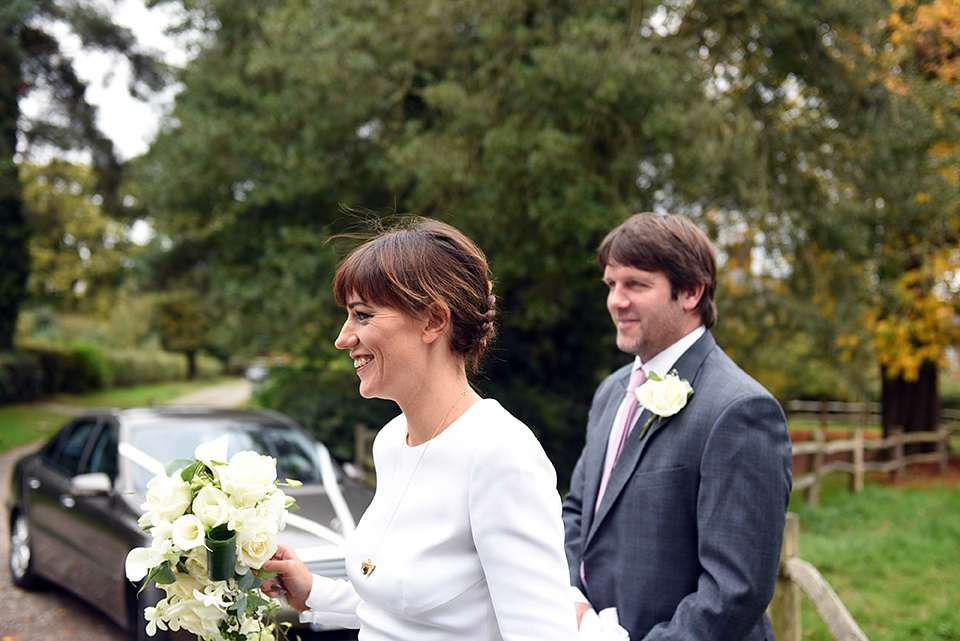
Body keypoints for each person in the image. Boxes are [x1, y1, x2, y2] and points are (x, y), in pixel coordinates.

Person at [261, 218, 578, 641]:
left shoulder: (501, 453)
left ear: (433, 321)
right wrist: (312, 591)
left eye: (362, 315)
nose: (343, 338)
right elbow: (412, 609)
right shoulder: (392, 441)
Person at [562, 213, 793, 640]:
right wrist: (571, 602)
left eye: (636, 284)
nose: (616, 300)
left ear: (690, 292)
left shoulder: (742, 411)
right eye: (611, 284)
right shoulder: (612, 392)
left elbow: (734, 590)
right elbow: (579, 511)